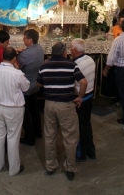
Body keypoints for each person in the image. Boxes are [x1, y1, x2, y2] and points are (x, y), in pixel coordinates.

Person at [37, 42, 86, 180]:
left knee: (50, 135)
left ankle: (50, 165)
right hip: (65, 105)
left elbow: (38, 83)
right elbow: (83, 82)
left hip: (49, 104)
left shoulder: (44, 66)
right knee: (70, 137)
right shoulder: (71, 65)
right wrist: (80, 97)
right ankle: (70, 167)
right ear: (64, 52)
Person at [0, 47, 29, 176]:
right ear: (14, 58)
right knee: (13, 138)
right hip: (14, 109)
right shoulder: (17, 74)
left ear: (2, 56)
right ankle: (13, 169)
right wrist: (17, 69)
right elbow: (26, 87)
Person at [103, 18, 124, 125]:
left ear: (121, 27)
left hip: (122, 69)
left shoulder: (118, 40)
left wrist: (106, 69)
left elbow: (111, 58)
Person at [70, 38, 96, 160]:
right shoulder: (90, 59)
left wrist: (79, 96)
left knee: (79, 126)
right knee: (86, 124)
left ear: (75, 49)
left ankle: (81, 153)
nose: (70, 50)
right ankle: (91, 150)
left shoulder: (76, 65)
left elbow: (79, 83)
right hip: (90, 95)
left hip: (81, 98)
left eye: (70, 47)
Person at [17, 29, 44, 146]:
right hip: (35, 84)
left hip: (26, 86)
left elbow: (17, 66)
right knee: (34, 109)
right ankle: (38, 131)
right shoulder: (40, 49)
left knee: (24, 112)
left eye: (24, 38)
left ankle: (29, 136)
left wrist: (19, 54)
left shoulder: (25, 54)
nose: (23, 40)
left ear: (30, 40)